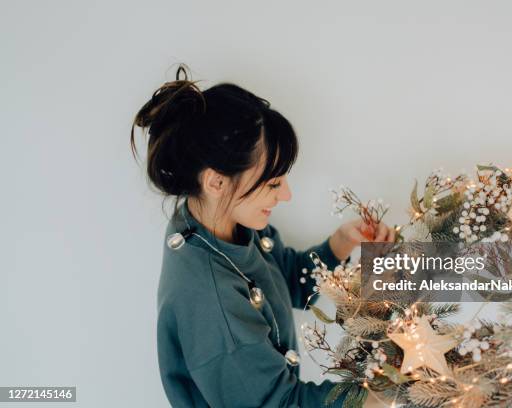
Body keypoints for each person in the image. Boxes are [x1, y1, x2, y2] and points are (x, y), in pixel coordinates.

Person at [130, 64, 394, 407]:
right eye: (272, 183)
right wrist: (379, 397)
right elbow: (281, 404)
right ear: (216, 181)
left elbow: (283, 282)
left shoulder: (217, 219)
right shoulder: (213, 307)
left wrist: (341, 243)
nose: (286, 195)